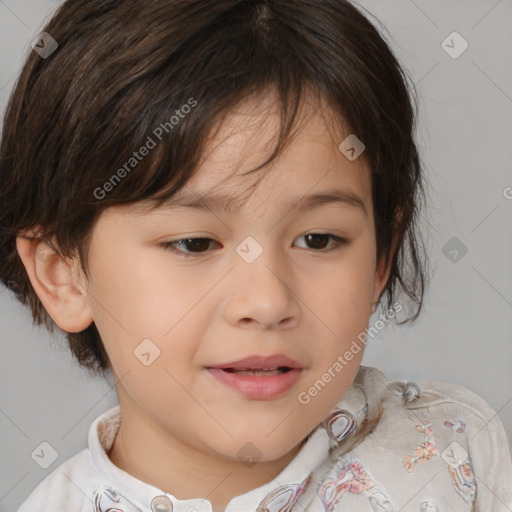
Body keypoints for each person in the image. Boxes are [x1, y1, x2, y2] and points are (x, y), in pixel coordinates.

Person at [1, 1, 511, 511]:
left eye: (318, 240)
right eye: (194, 243)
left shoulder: (453, 456)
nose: (267, 302)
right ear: (63, 274)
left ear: (381, 260)